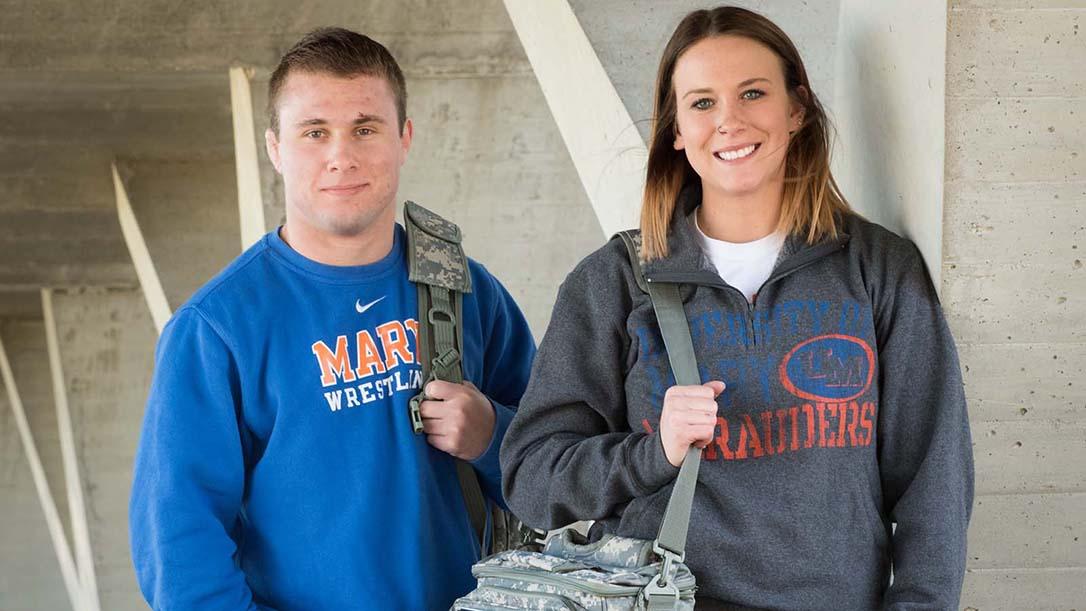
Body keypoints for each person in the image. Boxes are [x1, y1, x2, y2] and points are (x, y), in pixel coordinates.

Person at [500, 6, 973, 609]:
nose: (729, 120)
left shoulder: (878, 271)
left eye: (753, 93)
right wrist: (653, 453)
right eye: (701, 103)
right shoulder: (614, 282)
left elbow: (937, 484)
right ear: (675, 130)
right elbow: (532, 478)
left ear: (796, 109)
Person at [129, 27, 535, 610]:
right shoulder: (215, 328)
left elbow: (559, 461)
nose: (341, 155)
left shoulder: (464, 290)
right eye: (314, 132)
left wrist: (491, 435)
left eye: (365, 129)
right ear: (275, 147)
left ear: (404, 138)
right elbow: (178, 548)